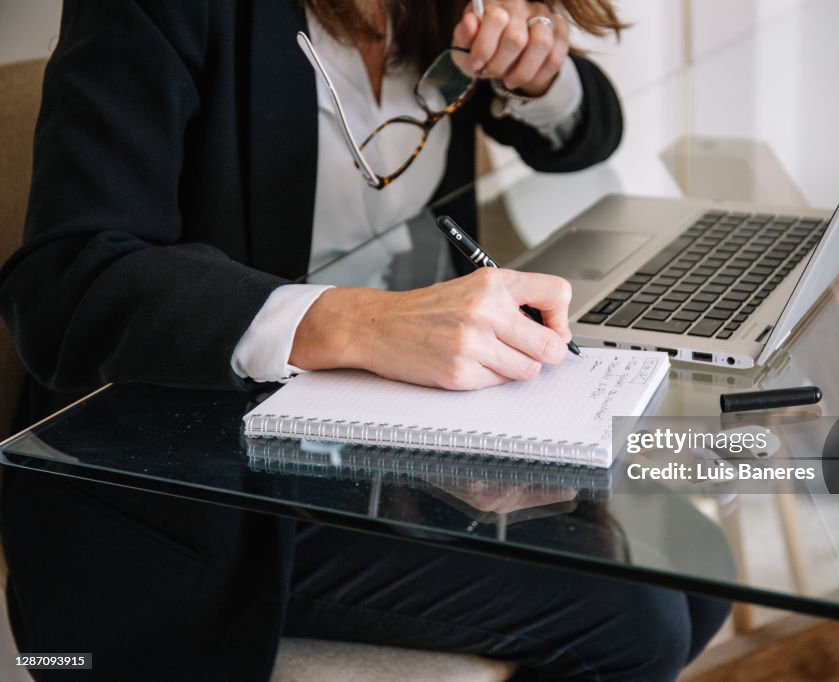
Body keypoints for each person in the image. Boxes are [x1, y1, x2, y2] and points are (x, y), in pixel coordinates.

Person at [0, 0, 730, 679]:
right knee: (641, 618)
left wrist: (542, 76)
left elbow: (586, 134)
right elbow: (66, 281)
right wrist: (360, 323)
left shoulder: (443, 9)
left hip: (394, 420)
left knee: (697, 567)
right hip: (193, 479)